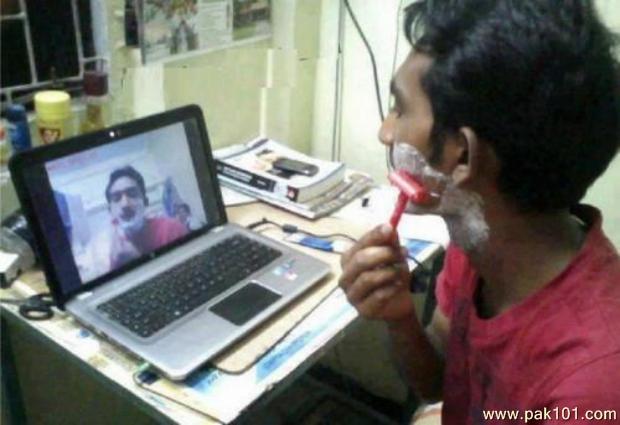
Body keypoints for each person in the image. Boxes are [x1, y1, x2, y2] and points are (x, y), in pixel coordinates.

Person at [339, 1, 620, 424]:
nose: (386, 131)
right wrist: (401, 318)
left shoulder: (592, 388)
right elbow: (439, 383)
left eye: (401, 108)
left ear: (464, 156)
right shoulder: (481, 239)